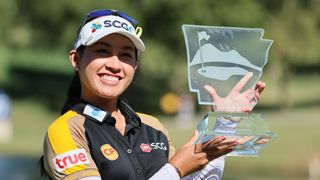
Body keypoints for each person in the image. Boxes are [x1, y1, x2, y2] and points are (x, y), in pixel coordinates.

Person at [40, 9, 265, 180]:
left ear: (135, 67)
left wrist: (223, 122)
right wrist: (176, 168)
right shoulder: (65, 131)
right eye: (102, 51)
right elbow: (176, 172)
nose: (115, 64)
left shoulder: (152, 125)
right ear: (76, 60)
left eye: (126, 55)